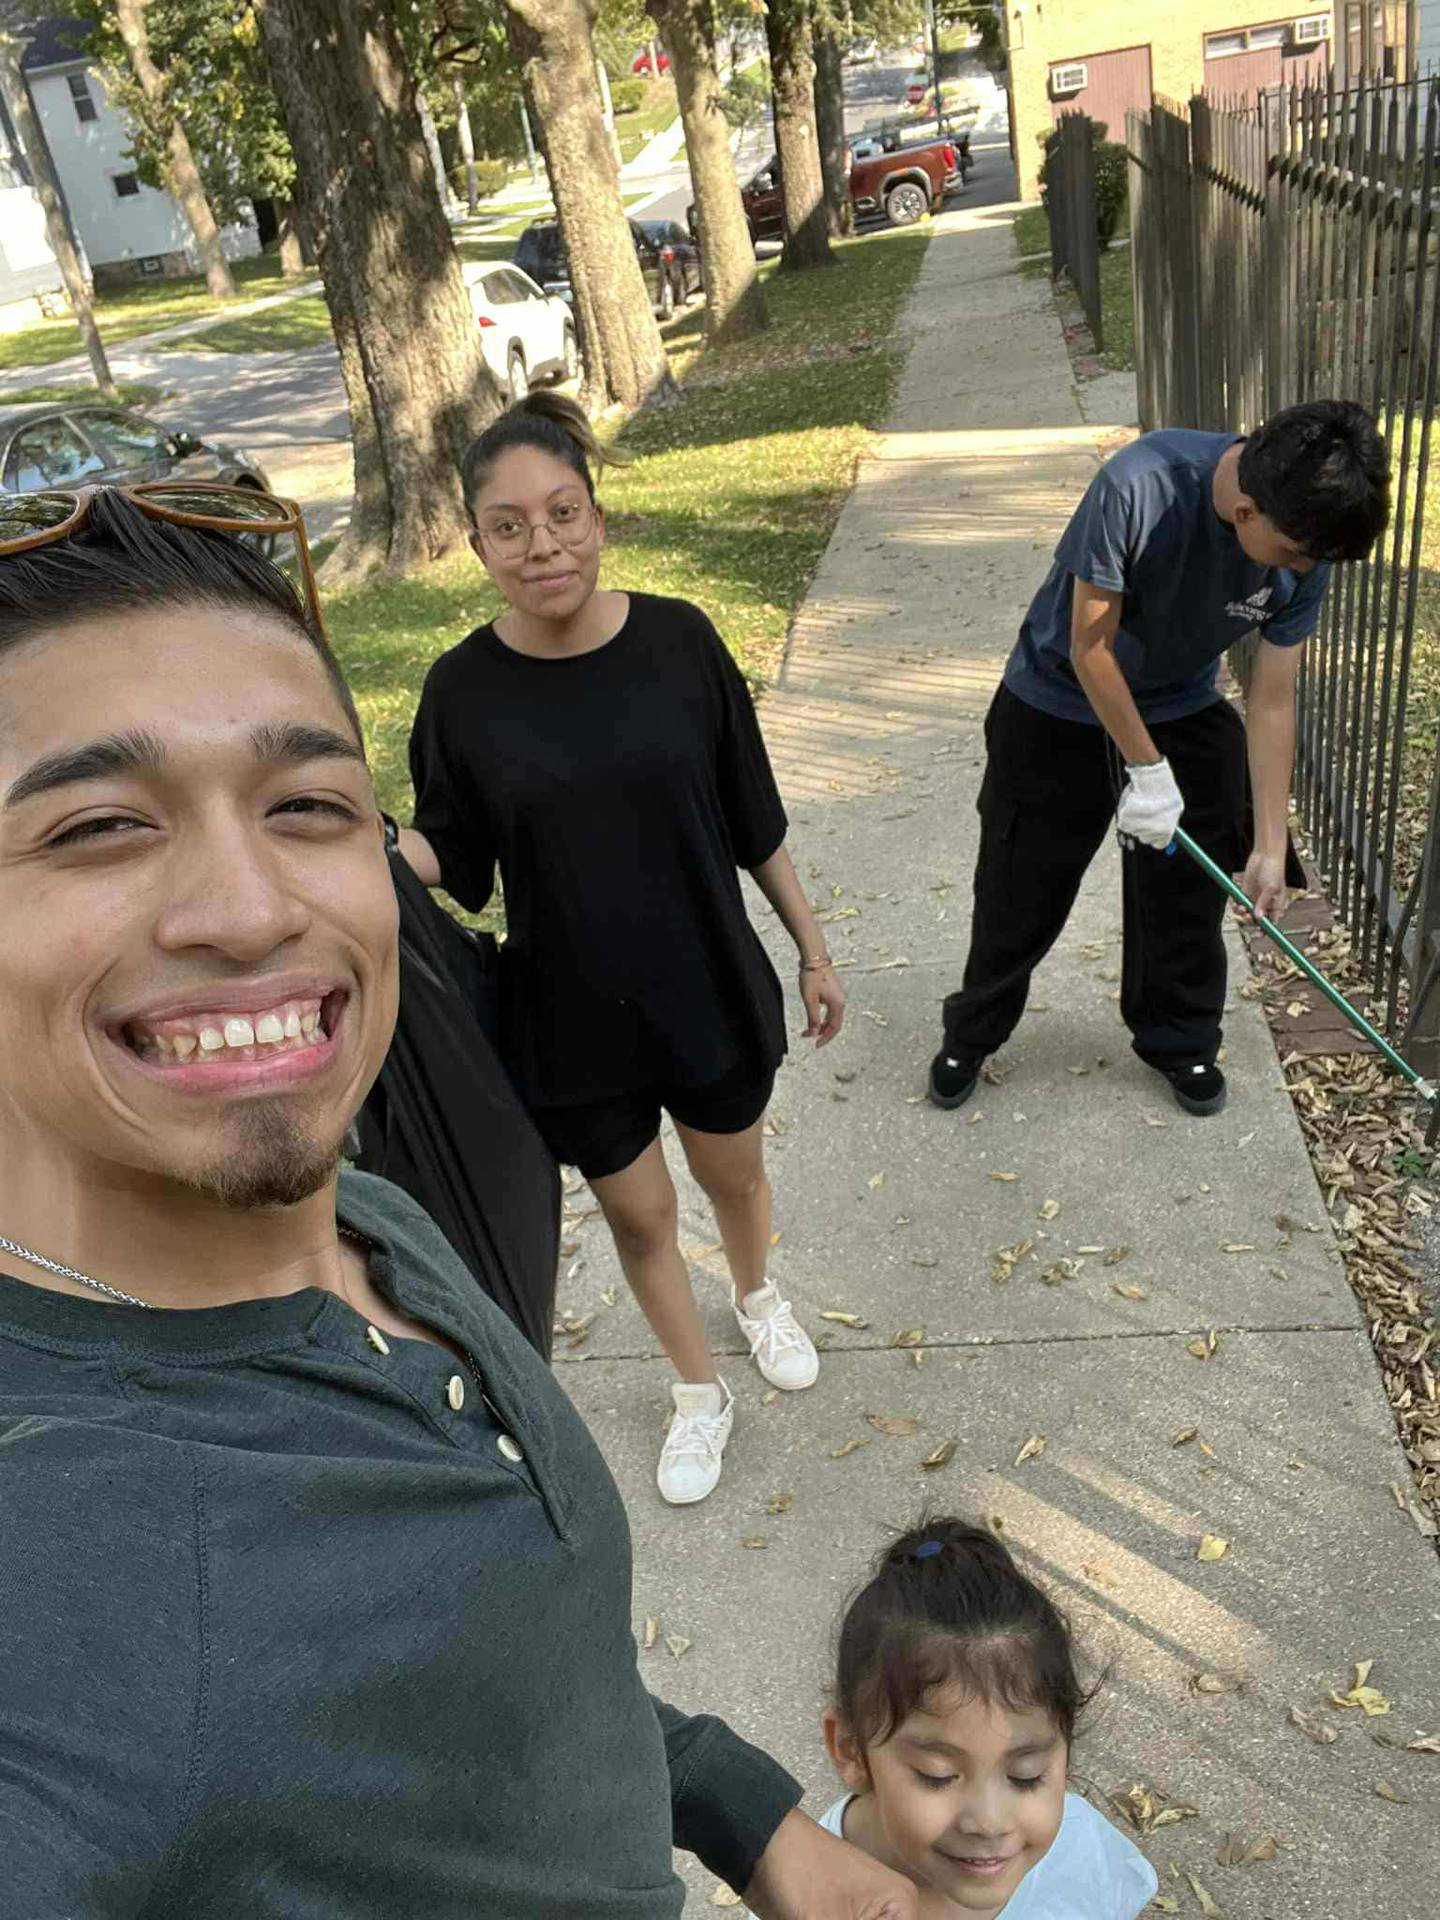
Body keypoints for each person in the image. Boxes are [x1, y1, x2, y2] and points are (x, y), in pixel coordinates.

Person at [0, 485, 914, 1920]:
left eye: (306, 807)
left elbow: (509, 1672)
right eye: (99, 826)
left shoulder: (368, 1224)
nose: (247, 908)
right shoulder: (51, 1588)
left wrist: (760, 1825)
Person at [400, 392, 846, 1505]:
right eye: (510, 526)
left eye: (562, 513)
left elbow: (754, 816)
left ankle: (755, 1295)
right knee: (640, 1215)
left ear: (599, 518)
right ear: (477, 546)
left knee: (732, 1176)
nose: (541, 543)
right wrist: (343, 837)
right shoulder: (460, 693)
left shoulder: (681, 642)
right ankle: (699, 1394)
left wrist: (814, 949)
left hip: (703, 983)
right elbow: (453, 855)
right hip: (572, 1011)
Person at [930, 400, 1389, 1119]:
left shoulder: (1310, 540)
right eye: (1296, 553)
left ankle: (1181, 1038)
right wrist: (1146, 771)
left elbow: (1272, 697)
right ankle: (974, 1032)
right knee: (1019, 888)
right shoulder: (1139, 486)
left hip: (1179, 703)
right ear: (1244, 513)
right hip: (1056, 699)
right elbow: (1091, 649)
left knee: (1185, 894)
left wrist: (1270, 841)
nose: (1304, 569)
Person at [757, 1518, 1157, 1918]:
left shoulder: (1078, 1849)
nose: (989, 1822)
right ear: (850, 1750)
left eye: (1027, 1775)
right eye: (938, 1775)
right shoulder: (806, 1902)